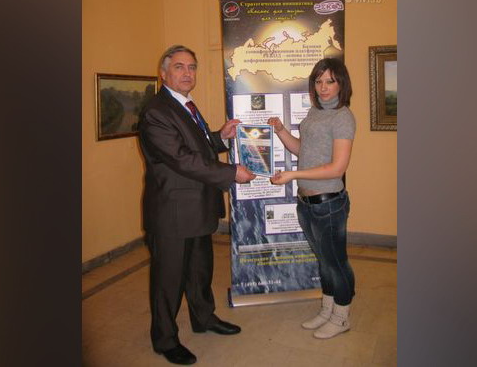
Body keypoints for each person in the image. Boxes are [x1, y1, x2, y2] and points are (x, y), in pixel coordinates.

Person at [138, 45, 256, 365]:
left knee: (199, 271)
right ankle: (165, 338)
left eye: (192, 67)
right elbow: (181, 159)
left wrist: (220, 137)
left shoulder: (186, 104)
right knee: (169, 280)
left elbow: (197, 147)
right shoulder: (156, 111)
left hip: (198, 207)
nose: (187, 73)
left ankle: (204, 318)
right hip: (173, 213)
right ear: (163, 73)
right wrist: (231, 172)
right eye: (179, 67)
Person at [268, 58, 356, 340]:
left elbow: (337, 168)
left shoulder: (342, 117)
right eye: (319, 81)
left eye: (330, 81)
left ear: (341, 83)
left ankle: (341, 317)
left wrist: (293, 175)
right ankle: (328, 309)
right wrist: (281, 130)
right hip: (307, 203)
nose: (323, 87)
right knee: (323, 261)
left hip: (329, 203)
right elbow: (302, 150)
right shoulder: (315, 112)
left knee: (336, 263)